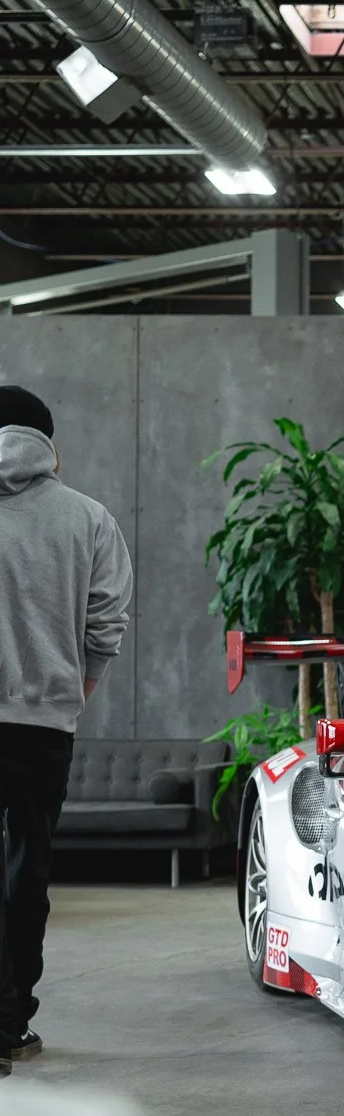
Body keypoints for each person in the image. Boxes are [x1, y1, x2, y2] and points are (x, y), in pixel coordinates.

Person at [0, 386, 132, 1075]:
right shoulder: (89, 518)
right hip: (42, 725)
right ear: (49, 442)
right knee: (28, 865)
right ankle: (11, 1021)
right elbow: (106, 621)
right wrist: (69, 692)